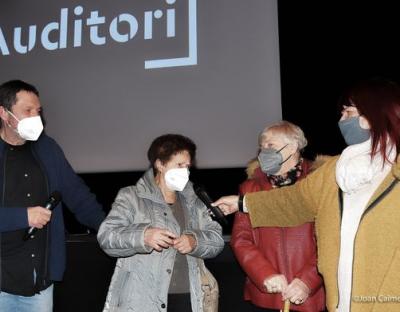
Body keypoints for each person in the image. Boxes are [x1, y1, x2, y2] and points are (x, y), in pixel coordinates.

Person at [213, 77, 400, 312]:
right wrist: (241, 202)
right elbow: (294, 202)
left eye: (348, 113)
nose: (341, 120)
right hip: (343, 299)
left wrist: (306, 281)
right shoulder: (335, 171)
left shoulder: (393, 172)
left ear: (373, 115)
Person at [0, 80, 105, 311]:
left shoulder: (48, 148)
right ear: (4, 114)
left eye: (37, 111)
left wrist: (110, 228)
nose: (35, 117)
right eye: (27, 111)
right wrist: (23, 217)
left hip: (40, 282)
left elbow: (79, 196)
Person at [97, 134, 224, 312]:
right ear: (160, 164)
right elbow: (107, 236)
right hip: (141, 299)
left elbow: (217, 239)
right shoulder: (131, 197)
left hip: (189, 296)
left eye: (188, 166)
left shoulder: (194, 200)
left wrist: (195, 241)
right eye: (179, 165)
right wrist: (143, 236)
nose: (185, 171)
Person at [231, 121, 325, 312]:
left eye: (270, 146)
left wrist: (307, 281)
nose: (263, 152)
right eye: (262, 147)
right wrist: (265, 274)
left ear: (292, 147)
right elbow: (241, 240)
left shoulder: (320, 182)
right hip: (267, 295)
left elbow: (332, 240)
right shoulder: (249, 188)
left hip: (310, 296)